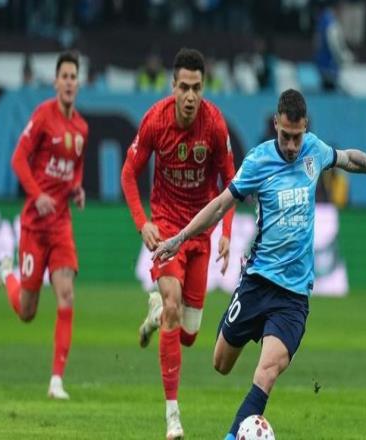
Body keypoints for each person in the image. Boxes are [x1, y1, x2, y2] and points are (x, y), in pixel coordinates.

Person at [153, 89, 366, 440]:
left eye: (297, 137)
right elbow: (221, 204)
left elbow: (348, 158)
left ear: (306, 128)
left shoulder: (314, 150)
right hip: (257, 282)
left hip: (293, 296)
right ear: (276, 123)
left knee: (267, 372)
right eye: (286, 136)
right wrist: (180, 238)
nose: (291, 145)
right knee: (221, 363)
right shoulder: (258, 161)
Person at [121, 47, 235, 439]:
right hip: (168, 229)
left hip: (200, 231)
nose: (189, 96)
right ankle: (172, 416)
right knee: (174, 305)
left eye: (196, 88)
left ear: (204, 88)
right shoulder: (155, 120)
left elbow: (231, 182)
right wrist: (143, 223)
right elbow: (128, 174)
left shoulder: (214, 125)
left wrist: (226, 232)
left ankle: (156, 315)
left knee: (188, 334)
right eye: (183, 87)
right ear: (173, 86)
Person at [0, 51, 88, 400]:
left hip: (60, 225)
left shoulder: (81, 128)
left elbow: (74, 168)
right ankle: (7, 273)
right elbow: (18, 158)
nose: (69, 82)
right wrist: (37, 195)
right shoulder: (43, 116)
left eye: (73, 77)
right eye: (64, 76)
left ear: (78, 83)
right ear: (56, 82)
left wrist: (76, 189)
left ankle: (56, 381)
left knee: (67, 294)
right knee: (27, 311)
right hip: (34, 225)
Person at [314, 0, 354, 92]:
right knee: (330, 89)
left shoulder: (323, 20)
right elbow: (334, 45)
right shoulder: (330, 22)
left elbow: (318, 42)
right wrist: (343, 57)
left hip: (322, 63)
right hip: (329, 64)